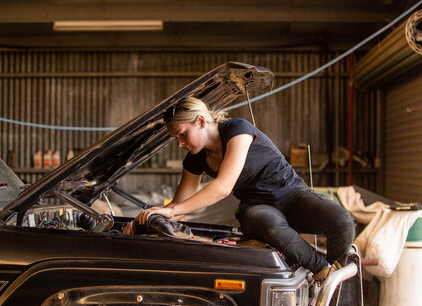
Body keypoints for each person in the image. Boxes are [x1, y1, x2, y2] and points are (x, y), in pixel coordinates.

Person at [132, 96, 355, 282]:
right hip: (256, 208)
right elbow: (179, 207)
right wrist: (143, 222)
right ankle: (324, 273)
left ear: (201, 121)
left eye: (182, 133)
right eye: (176, 138)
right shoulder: (195, 157)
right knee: (270, 224)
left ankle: (338, 283)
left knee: (341, 220)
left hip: (293, 194)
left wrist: (171, 211)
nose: (180, 143)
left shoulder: (237, 129)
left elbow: (223, 187)